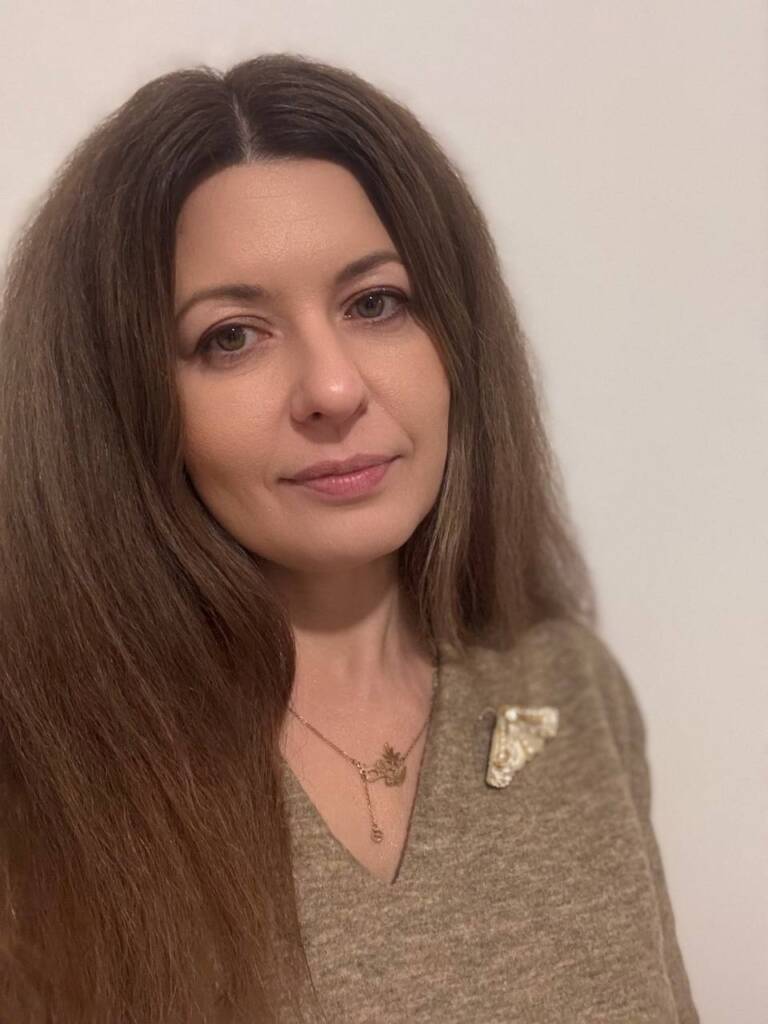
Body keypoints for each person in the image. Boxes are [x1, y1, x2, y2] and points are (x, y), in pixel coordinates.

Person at [0, 52, 699, 1024]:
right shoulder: (37, 772)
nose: (333, 389)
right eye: (231, 335)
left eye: (376, 304)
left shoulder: (567, 685)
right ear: (120, 404)